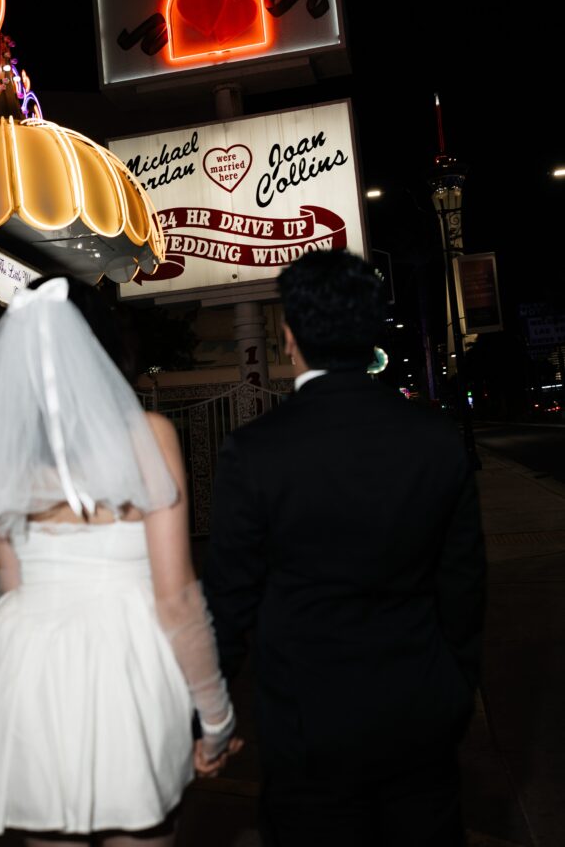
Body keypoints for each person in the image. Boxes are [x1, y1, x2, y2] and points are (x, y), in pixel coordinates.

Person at [0, 275, 240, 846]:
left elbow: (11, 587)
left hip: (32, 666)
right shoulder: (148, 435)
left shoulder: (5, 458)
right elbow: (177, 597)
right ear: (106, 346)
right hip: (125, 664)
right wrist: (216, 721)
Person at [204, 249, 486, 847]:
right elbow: (463, 585)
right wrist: (456, 689)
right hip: (421, 712)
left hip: (307, 723)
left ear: (289, 335)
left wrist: (209, 717)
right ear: (371, 334)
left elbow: (228, 604)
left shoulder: (254, 452)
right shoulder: (435, 441)